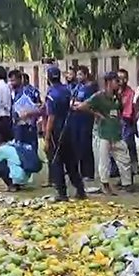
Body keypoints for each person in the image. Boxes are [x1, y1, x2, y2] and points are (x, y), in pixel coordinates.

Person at [77, 72, 134, 195]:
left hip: (116, 132)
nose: (118, 84)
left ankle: (127, 183)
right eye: (116, 81)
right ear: (109, 82)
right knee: (104, 160)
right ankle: (105, 183)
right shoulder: (99, 96)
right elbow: (82, 106)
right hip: (103, 133)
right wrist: (96, 114)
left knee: (124, 157)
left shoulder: (117, 96)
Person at [44, 66, 86, 201]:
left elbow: (51, 117)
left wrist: (46, 137)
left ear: (48, 78)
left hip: (57, 132)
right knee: (71, 162)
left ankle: (62, 193)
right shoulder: (66, 90)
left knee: (56, 162)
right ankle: (80, 189)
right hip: (69, 129)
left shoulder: (51, 94)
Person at [70, 66, 99, 180]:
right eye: (77, 75)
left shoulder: (90, 87)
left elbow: (89, 104)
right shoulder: (78, 87)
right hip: (76, 119)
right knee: (77, 145)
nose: (78, 77)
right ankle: (81, 171)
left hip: (86, 120)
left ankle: (88, 173)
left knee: (86, 145)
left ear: (86, 75)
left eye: (80, 74)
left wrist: (79, 105)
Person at [9, 69, 42, 147]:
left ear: (20, 79)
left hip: (27, 127)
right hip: (17, 127)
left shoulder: (27, 92)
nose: (11, 83)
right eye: (10, 81)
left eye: (13, 80)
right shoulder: (12, 92)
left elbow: (38, 107)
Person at [117, 69, 139, 173]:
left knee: (129, 146)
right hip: (116, 122)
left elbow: (128, 111)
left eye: (123, 78)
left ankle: (133, 169)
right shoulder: (115, 92)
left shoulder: (130, 93)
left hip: (127, 122)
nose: (121, 81)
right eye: (119, 78)